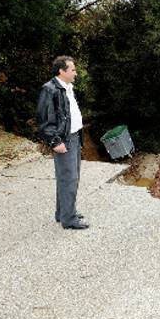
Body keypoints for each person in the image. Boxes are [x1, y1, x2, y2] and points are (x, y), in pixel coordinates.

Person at [36, 56, 89, 230]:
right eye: (72, 70)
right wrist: (54, 141)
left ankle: (64, 212)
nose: (76, 73)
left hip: (74, 137)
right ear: (62, 71)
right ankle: (69, 219)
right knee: (69, 179)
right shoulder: (50, 89)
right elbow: (45, 120)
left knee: (69, 178)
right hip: (64, 140)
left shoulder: (67, 88)